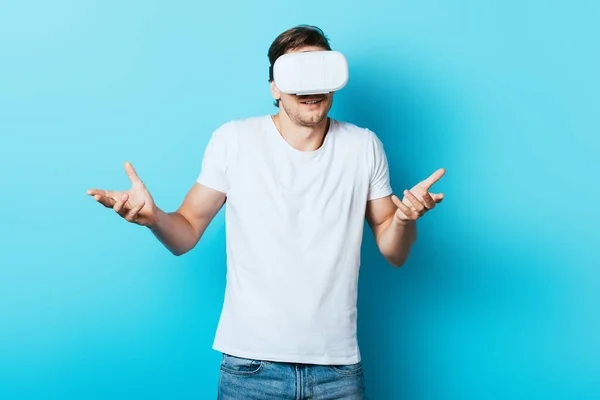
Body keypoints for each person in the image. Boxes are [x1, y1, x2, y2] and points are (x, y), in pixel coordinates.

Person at [87, 25, 445, 400]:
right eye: (295, 74)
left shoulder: (364, 146)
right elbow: (187, 230)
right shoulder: (234, 140)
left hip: (337, 368)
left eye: (319, 71)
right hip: (251, 367)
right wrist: (155, 218)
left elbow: (395, 251)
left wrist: (403, 220)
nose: (310, 87)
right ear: (274, 86)